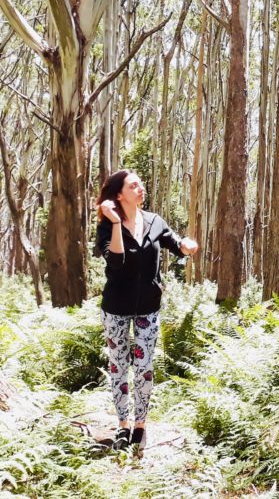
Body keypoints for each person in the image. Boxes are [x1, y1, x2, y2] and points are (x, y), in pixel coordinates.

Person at [95, 169, 198, 452]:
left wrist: (186, 246)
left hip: (148, 308)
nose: (140, 188)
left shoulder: (155, 221)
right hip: (116, 308)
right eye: (133, 186)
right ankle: (122, 425)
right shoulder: (106, 227)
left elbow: (175, 243)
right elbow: (115, 262)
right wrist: (116, 223)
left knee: (143, 368)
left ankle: (140, 425)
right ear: (119, 195)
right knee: (118, 366)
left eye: (140, 184)